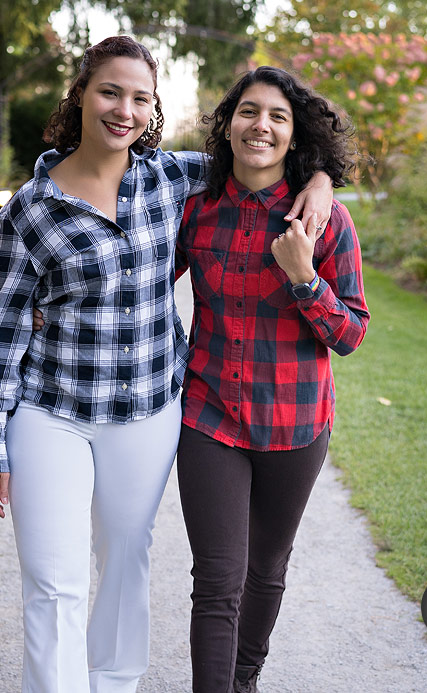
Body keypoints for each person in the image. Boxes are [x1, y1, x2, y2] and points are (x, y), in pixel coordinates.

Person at [0, 36, 333, 693]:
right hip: (53, 412)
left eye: (141, 98)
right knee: (54, 578)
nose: (124, 110)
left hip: (150, 410)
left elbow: (261, 155)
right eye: (110, 91)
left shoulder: (171, 178)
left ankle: (112, 681)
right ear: (81, 94)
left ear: (153, 108)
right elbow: (1, 330)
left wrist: (322, 180)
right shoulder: (31, 208)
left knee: (126, 558)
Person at [175, 66, 369, 693]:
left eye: (278, 117)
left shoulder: (324, 222)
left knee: (266, 568)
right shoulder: (196, 211)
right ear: (228, 125)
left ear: (294, 136)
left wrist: (304, 278)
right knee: (218, 576)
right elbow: (139, 281)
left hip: (295, 421)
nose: (262, 125)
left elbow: (350, 334)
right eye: (249, 112)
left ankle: (244, 679)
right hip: (209, 416)